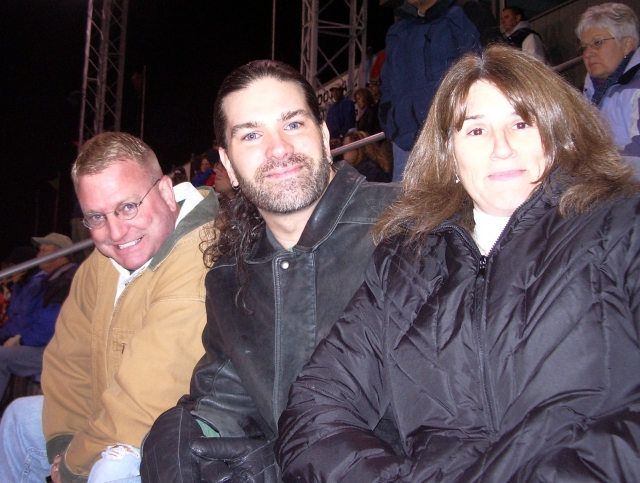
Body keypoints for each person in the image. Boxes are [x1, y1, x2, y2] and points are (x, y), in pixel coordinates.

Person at [276, 44, 640, 482]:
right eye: (476, 131)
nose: (501, 148)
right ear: (449, 155)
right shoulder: (402, 263)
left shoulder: (622, 225)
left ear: (557, 135)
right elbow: (315, 409)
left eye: (521, 123)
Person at [140, 60, 399, 483]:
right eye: (252, 134)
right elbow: (225, 395)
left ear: (325, 133)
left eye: (293, 124)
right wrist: (180, 433)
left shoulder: (410, 224)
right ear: (227, 161)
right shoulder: (230, 277)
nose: (278, 149)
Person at [0, 132, 219, 483]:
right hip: (115, 418)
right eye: (96, 217)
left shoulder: (203, 255)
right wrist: (64, 442)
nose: (116, 232)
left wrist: (72, 466)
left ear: (165, 191)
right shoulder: (104, 262)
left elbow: (150, 403)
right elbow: (69, 359)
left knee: (110, 471)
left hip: (189, 437)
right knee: (20, 420)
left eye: (128, 206)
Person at [379, 0, 496, 182]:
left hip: (456, 142)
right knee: (409, 209)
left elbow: (492, 67)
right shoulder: (397, 31)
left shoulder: (466, 12)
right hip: (406, 146)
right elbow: (387, 83)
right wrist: (390, 120)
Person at [0, 234, 77, 397]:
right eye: (39, 251)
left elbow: (49, 324)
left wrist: (20, 340)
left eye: (44, 251)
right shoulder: (50, 280)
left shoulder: (68, 280)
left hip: (56, 349)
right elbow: (27, 317)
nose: (38, 256)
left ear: (61, 254)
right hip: (44, 344)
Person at [577, 2, 640, 179]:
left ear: (627, 45)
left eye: (597, 43)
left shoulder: (635, 90)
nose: (588, 53)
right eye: (584, 46)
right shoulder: (590, 95)